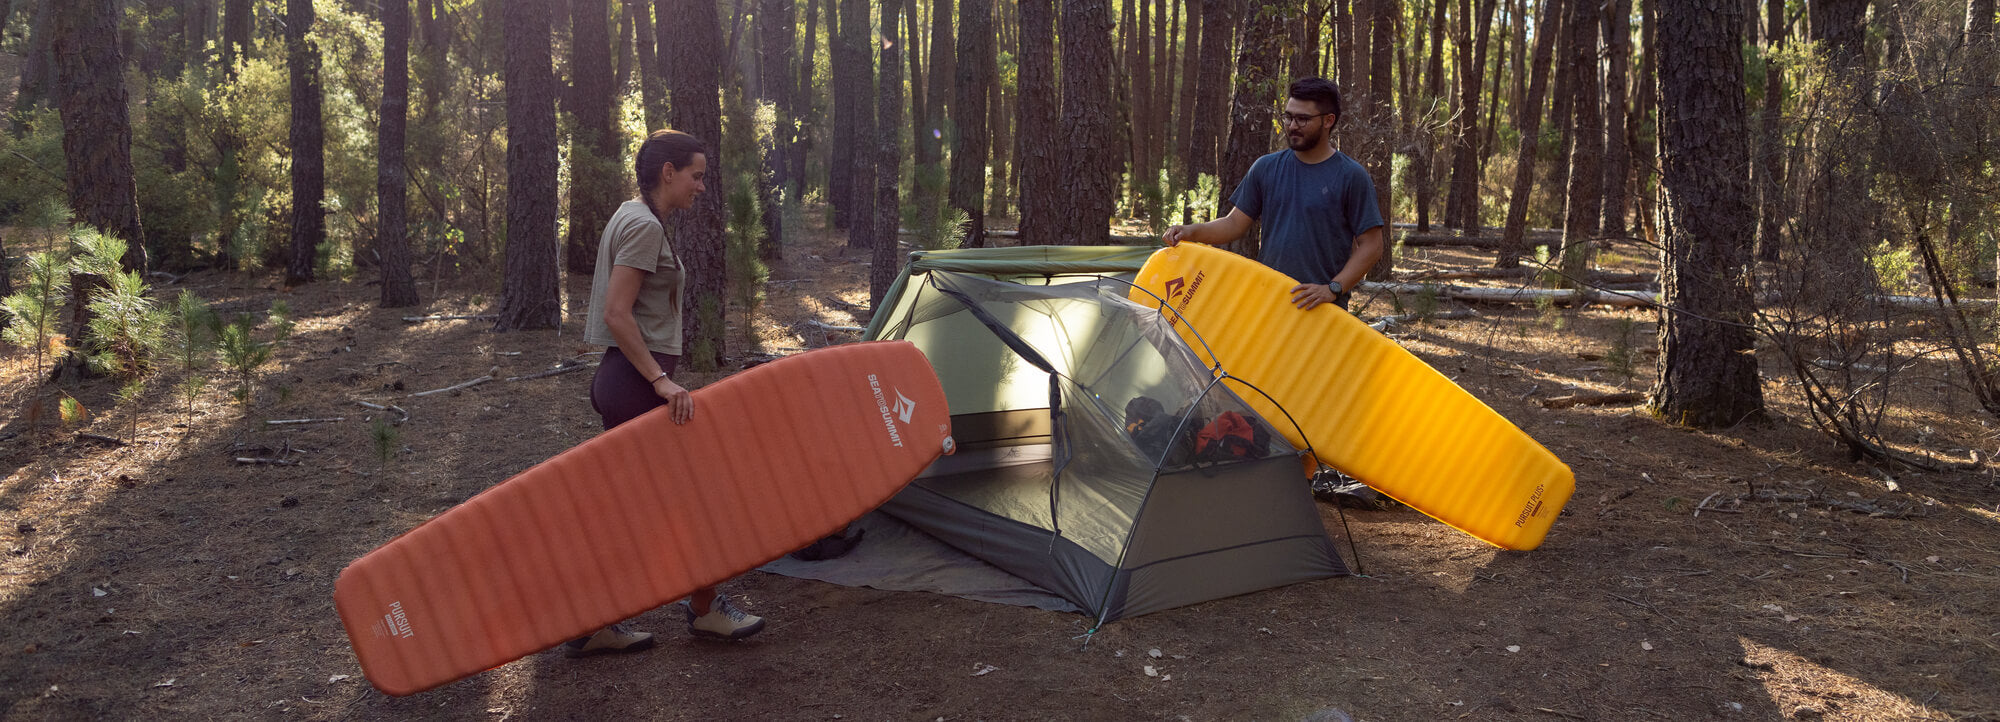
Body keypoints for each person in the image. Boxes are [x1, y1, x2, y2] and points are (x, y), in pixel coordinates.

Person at [567, 129, 767, 657]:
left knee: (632, 506)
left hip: (623, 382)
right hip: (635, 386)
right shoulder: (643, 226)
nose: (701, 187)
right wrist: (660, 379)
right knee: (697, 496)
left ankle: (595, 620)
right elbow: (617, 312)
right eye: (696, 176)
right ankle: (703, 610)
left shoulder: (631, 214)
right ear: (668, 172)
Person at [1163, 77, 1386, 312]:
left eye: (1302, 119)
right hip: (1269, 304)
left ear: (1328, 120)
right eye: (1288, 117)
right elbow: (1234, 224)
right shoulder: (1266, 167)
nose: (1292, 126)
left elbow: (1372, 246)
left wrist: (1332, 288)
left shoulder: (1351, 176)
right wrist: (1191, 231)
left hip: (1322, 311)